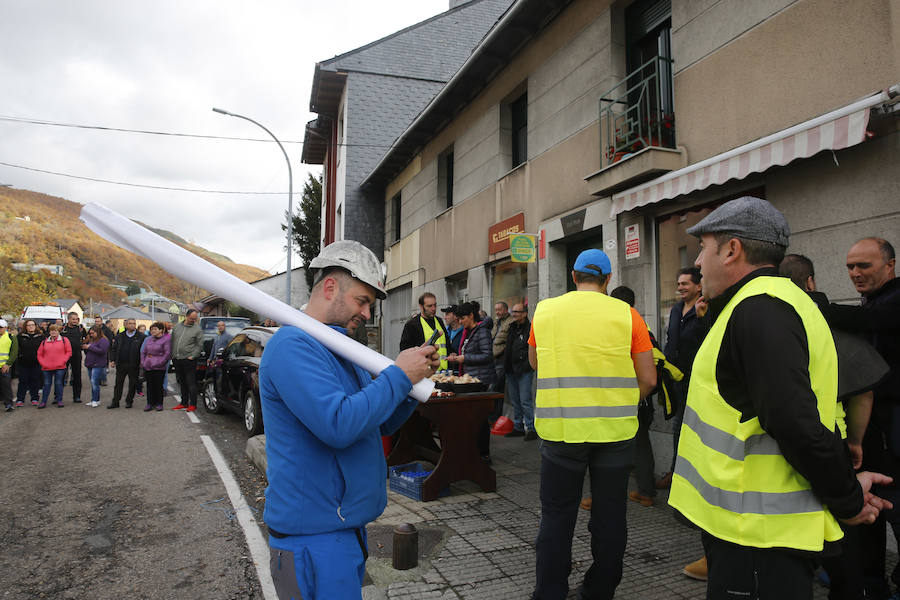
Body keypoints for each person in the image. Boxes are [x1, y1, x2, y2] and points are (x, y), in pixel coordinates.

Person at [667, 197, 892, 599]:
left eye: (703, 247)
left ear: (732, 249)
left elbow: (794, 423)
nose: (698, 263)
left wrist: (847, 498)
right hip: (751, 528)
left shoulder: (761, 310)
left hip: (758, 534)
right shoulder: (764, 304)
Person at [259, 240, 438, 599]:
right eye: (362, 301)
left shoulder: (340, 348)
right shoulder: (293, 345)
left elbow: (377, 423)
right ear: (330, 287)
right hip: (313, 538)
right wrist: (399, 376)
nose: (367, 314)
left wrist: (408, 387)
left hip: (341, 529)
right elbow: (339, 424)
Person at [528, 248, 656, 600]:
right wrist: (620, 402)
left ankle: (549, 592)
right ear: (608, 280)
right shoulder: (628, 315)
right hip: (614, 434)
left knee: (556, 516)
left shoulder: (545, 311)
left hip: (561, 433)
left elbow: (536, 363)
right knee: (610, 516)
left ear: (573, 276)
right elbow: (648, 378)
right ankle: (599, 590)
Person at [781, 252, 890, 600]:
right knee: (847, 536)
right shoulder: (830, 321)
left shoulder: (766, 321)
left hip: (781, 447)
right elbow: (863, 393)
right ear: (811, 282)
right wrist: (855, 441)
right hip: (833, 441)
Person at [822, 237, 900, 599]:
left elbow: (871, 320)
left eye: (863, 266)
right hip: (875, 432)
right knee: (873, 510)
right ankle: (871, 582)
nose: (855, 273)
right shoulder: (874, 301)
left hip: (893, 431)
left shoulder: (892, 301)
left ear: (890, 265)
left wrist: (813, 305)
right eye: (850, 267)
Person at [657, 267, 705, 488]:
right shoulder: (676, 309)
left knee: (687, 428)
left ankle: (681, 475)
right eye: (678, 284)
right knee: (678, 426)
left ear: (698, 286)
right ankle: (677, 473)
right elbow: (671, 339)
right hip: (675, 378)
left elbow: (707, 341)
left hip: (695, 379)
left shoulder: (705, 309)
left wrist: (702, 319)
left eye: (685, 283)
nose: (680, 287)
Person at [447, 301, 496, 462]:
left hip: (481, 380)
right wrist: (457, 357)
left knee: (480, 418)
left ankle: (483, 454)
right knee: (472, 417)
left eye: (462, 318)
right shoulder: (469, 332)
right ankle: (474, 451)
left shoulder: (482, 331)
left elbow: (487, 355)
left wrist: (465, 358)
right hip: (471, 379)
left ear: (471, 316)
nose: (460, 322)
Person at [503, 303, 536, 440]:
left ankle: (531, 428)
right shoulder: (511, 327)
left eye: (517, 312)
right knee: (515, 400)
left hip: (524, 370)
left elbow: (531, 349)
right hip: (511, 369)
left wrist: (527, 366)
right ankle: (518, 426)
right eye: (513, 312)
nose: (514, 314)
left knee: (525, 400)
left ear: (524, 313)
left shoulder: (530, 328)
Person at [399, 292, 450, 370]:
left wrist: (452, 353)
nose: (433, 309)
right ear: (421, 306)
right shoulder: (412, 325)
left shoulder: (439, 321)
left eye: (435, 305)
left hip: (443, 372)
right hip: (424, 372)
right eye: (429, 306)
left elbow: (446, 343)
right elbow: (405, 351)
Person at [108, 318, 145, 409]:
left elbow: (144, 351)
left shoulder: (141, 337)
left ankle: (129, 401)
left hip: (134, 364)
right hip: (121, 364)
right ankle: (115, 402)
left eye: (134, 323)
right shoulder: (120, 336)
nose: (132, 325)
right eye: (130, 323)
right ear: (126, 325)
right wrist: (112, 360)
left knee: (132, 384)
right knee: (118, 384)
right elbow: (114, 349)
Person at [171, 309, 203, 411]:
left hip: (189, 360)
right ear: (186, 316)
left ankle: (193, 404)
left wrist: (193, 356)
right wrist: (172, 355)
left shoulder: (197, 329)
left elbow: (199, 345)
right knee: (182, 382)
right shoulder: (177, 327)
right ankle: (184, 403)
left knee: (191, 383)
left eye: (195, 319)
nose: (193, 320)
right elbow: (172, 341)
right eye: (191, 318)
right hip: (177, 359)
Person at [37, 324, 71, 408]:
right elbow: (39, 354)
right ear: (49, 332)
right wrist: (43, 363)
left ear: (58, 331)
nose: (53, 332)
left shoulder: (64, 340)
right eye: (52, 330)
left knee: (58, 383)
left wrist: (63, 361)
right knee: (46, 384)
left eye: (55, 330)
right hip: (46, 367)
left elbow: (68, 352)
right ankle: (43, 402)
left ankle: (59, 400)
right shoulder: (44, 341)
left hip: (60, 367)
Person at [140, 322, 171, 412]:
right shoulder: (148, 339)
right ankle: (150, 403)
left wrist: (159, 363)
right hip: (148, 366)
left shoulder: (166, 340)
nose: (153, 331)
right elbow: (143, 352)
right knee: (149, 385)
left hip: (159, 367)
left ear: (161, 330)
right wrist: (143, 362)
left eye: (155, 329)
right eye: (152, 329)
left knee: (158, 386)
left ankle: (159, 403)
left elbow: (167, 354)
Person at [15, 320, 43, 407]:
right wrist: (20, 356)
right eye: (29, 325)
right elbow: (17, 348)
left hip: (36, 363)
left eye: (32, 325)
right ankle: (20, 399)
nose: (31, 327)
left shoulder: (41, 337)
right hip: (23, 363)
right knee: (23, 381)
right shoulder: (20, 337)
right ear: (25, 327)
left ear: (35, 326)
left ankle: (35, 398)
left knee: (35, 380)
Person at [82, 325, 110, 408]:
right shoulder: (91, 340)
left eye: (93, 333)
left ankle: (95, 400)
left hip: (98, 364)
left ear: (98, 332)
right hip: (90, 363)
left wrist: (90, 347)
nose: (91, 335)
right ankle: (95, 399)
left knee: (95, 382)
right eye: (90, 333)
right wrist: (86, 348)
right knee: (92, 382)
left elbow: (102, 351)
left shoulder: (103, 340)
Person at [60, 312, 85, 404]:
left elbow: (87, 338)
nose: (75, 321)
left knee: (77, 376)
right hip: (64, 355)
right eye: (73, 319)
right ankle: (57, 397)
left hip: (76, 355)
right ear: (68, 319)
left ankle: (77, 396)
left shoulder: (81, 328)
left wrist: (82, 345)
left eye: (76, 319)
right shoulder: (62, 329)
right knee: (61, 376)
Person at [491, 301, 512, 388]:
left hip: (502, 357)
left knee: (495, 386)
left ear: (506, 310)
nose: (497, 312)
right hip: (494, 357)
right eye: (496, 310)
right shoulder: (497, 322)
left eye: (499, 310)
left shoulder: (510, 322)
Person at [0, 319, 19, 412]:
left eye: (1, 328)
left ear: (6, 328)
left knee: (6, 385)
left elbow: (14, 352)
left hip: (5, 366)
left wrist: (8, 364)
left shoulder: (11, 337)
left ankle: (8, 404)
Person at [95, 316, 114, 386]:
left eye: (98, 321)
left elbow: (110, 340)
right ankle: (97, 380)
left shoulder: (107, 330)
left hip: (104, 350)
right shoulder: (93, 329)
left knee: (103, 366)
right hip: (95, 349)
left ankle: (103, 380)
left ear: (101, 321)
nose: (97, 323)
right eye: (96, 321)